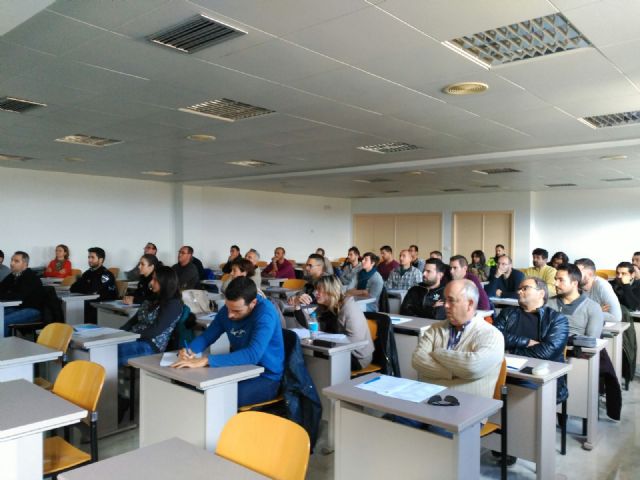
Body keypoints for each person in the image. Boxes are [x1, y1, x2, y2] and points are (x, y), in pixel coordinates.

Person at [172, 277, 285, 407]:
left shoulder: (265, 314)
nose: (230, 315)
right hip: (238, 370)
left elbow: (252, 355)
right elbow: (207, 337)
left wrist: (206, 360)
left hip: (266, 377)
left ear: (253, 303)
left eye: (237, 311)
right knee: (193, 389)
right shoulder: (228, 309)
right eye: (228, 308)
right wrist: (189, 350)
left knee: (217, 398)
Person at [412, 279, 504, 398]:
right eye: (445, 300)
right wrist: (453, 372)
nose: (445, 305)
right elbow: (418, 360)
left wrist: (438, 353)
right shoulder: (435, 329)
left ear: (470, 304)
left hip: (468, 408)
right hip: (427, 401)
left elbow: (472, 367)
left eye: (451, 300)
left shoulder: (491, 335)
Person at [493, 276, 569, 403]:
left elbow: (547, 351)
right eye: (519, 289)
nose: (519, 292)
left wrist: (510, 353)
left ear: (541, 293)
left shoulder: (557, 319)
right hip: (506, 374)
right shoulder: (507, 313)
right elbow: (494, 337)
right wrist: (525, 342)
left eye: (525, 288)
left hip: (539, 378)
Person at [296, 275, 374, 369]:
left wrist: (326, 341)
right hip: (333, 350)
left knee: (314, 362)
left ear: (331, 291)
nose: (316, 293)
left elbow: (356, 341)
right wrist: (298, 306)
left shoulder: (349, 308)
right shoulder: (324, 306)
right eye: (316, 289)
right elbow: (310, 326)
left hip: (356, 356)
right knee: (305, 356)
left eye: (319, 289)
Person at [117, 266, 184, 366]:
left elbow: (155, 330)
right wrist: (118, 333)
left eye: (155, 280)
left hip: (150, 346)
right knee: (106, 346)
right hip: (135, 338)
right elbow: (134, 320)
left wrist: (131, 335)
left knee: (110, 352)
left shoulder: (173, 304)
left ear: (165, 282)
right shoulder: (153, 297)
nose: (151, 282)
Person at [547, 264, 604, 338]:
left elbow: (592, 340)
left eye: (561, 280)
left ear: (574, 283)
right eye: (556, 279)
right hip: (547, 348)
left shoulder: (593, 307)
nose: (556, 283)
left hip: (577, 349)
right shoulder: (547, 303)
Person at [0, 251, 45, 336]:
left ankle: (3, 348)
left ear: (25, 263)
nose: (12, 263)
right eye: (12, 260)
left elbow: (18, 296)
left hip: (33, 310)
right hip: (18, 307)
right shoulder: (13, 275)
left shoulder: (30, 277)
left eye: (16, 261)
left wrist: (3, 295)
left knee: (3, 321)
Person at [70, 247, 118, 323]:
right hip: (91, 301)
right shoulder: (88, 272)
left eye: (92, 257)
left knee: (76, 307)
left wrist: (84, 287)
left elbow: (92, 290)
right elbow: (73, 288)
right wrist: (86, 287)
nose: (89, 260)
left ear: (101, 260)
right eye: (89, 257)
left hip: (103, 305)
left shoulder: (106, 274)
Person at [575, 258, 622, 323]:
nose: (574, 275)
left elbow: (616, 317)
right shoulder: (573, 285)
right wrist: (596, 311)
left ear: (590, 274)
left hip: (605, 330)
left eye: (578, 272)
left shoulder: (602, 285)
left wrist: (590, 313)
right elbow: (569, 312)